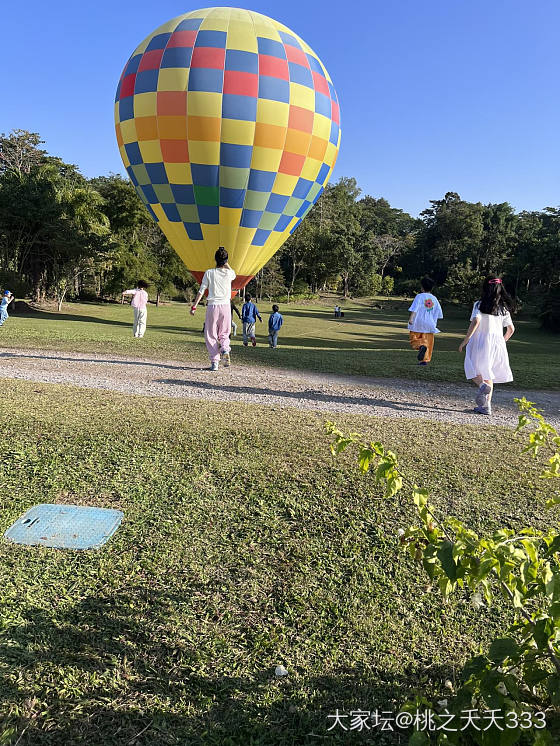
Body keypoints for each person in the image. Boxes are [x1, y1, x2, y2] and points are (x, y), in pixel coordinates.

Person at [459, 277, 515, 416]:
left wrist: (465, 340)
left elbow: (476, 320)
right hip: (497, 343)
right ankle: (486, 406)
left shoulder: (479, 304)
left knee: (471, 367)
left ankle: (482, 386)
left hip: (480, 341)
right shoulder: (503, 309)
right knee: (488, 372)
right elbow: (511, 329)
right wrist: (502, 342)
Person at [191, 247, 236, 371]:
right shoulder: (229, 273)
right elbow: (232, 272)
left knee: (210, 333)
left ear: (215, 259)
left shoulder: (209, 273)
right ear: (226, 260)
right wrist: (226, 261)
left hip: (213, 306)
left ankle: (215, 362)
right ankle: (225, 349)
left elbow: (201, 290)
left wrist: (194, 306)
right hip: (226, 306)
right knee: (225, 333)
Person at [407, 277, 443, 365]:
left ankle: (420, 346)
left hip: (417, 323)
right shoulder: (434, 299)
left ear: (422, 287)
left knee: (414, 339)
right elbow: (439, 313)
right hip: (429, 324)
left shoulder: (419, 296)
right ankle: (424, 361)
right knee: (428, 342)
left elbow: (415, 308)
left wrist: (411, 319)